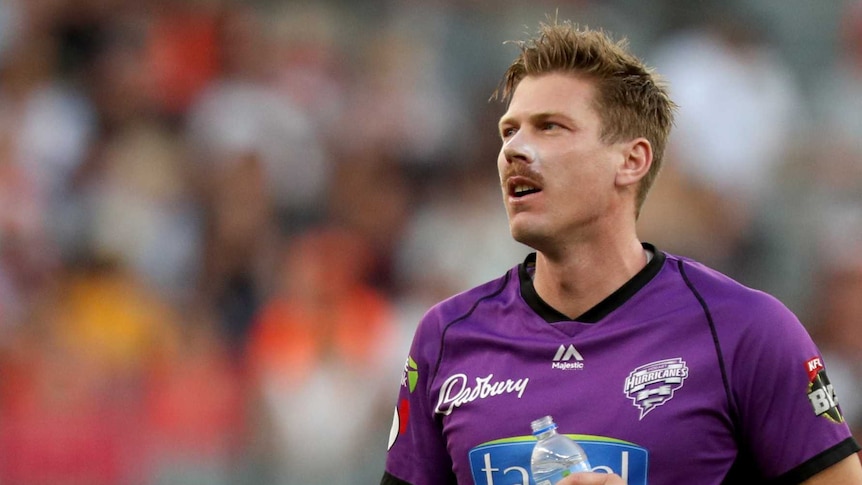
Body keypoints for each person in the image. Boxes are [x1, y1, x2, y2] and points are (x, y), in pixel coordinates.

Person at [380, 19, 862, 485]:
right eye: (510, 131)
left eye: (550, 127)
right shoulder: (445, 337)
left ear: (631, 161)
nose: (514, 150)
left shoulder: (747, 330)